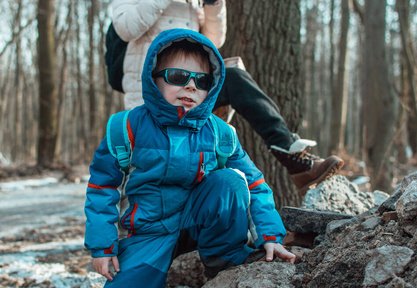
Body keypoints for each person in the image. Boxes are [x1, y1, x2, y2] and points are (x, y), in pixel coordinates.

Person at [85, 29, 295, 288]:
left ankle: (225, 260)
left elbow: (254, 184)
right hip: (151, 231)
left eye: (202, 80)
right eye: (178, 77)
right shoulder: (126, 127)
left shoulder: (220, 133)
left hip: (199, 219)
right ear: (153, 78)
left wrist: (269, 235)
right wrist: (103, 246)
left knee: (230, 181)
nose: (191, 86)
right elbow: (102, 188)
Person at [111, 0, 344, 195]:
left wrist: (213, 6)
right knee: (168, 179)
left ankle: (291, 155)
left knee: (233, 77)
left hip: (191, 90)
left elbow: (214, 40)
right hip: (154, 93)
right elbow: (125, 28)